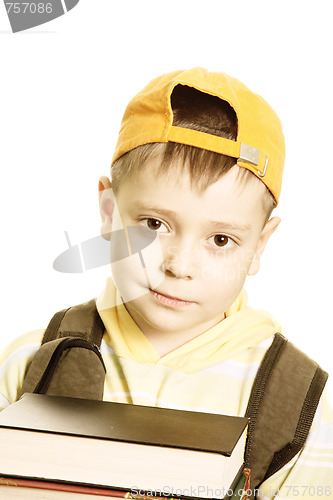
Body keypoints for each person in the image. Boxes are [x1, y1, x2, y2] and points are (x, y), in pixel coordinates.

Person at [0, 68, 332, 498]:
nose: (179, 265)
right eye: (154, 224)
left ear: (259, 245)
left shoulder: (301, 403)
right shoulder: (31, 362)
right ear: (108, 211)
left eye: (220, 239)